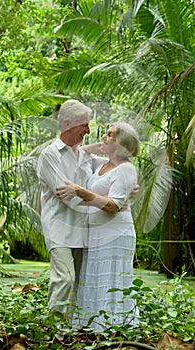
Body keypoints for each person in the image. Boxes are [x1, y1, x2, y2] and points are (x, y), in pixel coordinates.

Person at [56, 121, 140, 332]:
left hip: (116, 234)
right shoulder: (103, 164)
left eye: (110, 134)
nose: (104, 136)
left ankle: (112, 329)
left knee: (111, 281)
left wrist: (80, 191)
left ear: (122, 142)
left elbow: (113, 206)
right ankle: (92, 328)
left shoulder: (126, 169)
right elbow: (74, 153)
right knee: (93, 279)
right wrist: (98, 146)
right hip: (97, 234)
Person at [37, 99, 97, 319]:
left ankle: (68, 333)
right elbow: (66, 195)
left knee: (77, 284)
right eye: (85, 125)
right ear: (69, 125)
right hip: (59, 230)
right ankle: (51, 330)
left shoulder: (83, 155)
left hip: (82, 231)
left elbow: (108, 174)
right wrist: (101, 203)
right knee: (65, 279)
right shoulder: (50, 155)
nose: (88, 130)